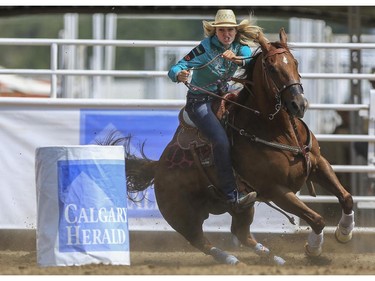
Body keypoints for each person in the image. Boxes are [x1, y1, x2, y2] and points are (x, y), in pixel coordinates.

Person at [168, 9, 262, 208]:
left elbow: (251, 60)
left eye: (230, 30)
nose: (226, 34)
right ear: (215, 33)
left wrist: (237, 59)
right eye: (222, 31)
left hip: (223, 94)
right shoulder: (203, 50)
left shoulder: (239, 47)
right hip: (199, 101)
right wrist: (180, 75)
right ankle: (230, 194)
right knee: (220, 140)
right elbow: (175, 67)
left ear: (236, 32)